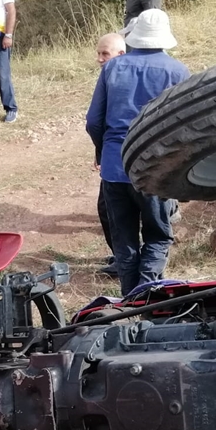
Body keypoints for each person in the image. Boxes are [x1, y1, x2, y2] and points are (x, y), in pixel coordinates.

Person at [86, 10, 189, 297]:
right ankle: (147, 296)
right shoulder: (177, 71)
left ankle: (131, 299)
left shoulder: (112, 68)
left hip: (115, 168)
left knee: (125, 239)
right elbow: (185, 128)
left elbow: (94, 121)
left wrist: (101, 151)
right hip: (156, 169)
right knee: (158, 235)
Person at [93, 33, 126, 276]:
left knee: (110, 208)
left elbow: (94, 121)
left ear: (120, 55)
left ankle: (126, 259)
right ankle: (123, 255)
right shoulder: (109, 75)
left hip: (121, 155)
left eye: (105, 53)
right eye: (99, 53)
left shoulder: (121, 78)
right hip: (115, 153)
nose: (100, 59)